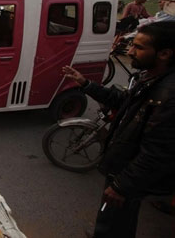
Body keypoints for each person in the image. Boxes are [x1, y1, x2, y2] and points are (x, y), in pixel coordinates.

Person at [62, 21, 175, 238]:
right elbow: (122, 101)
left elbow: (157, 153)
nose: (130, 52)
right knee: (116, 218)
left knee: (115, 215)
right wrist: (86, 84)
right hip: (124, 170)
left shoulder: (168, 96)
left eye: (139, 48)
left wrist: (123, 185)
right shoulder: (149, 77)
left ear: (165, 53)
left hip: (129, 174)